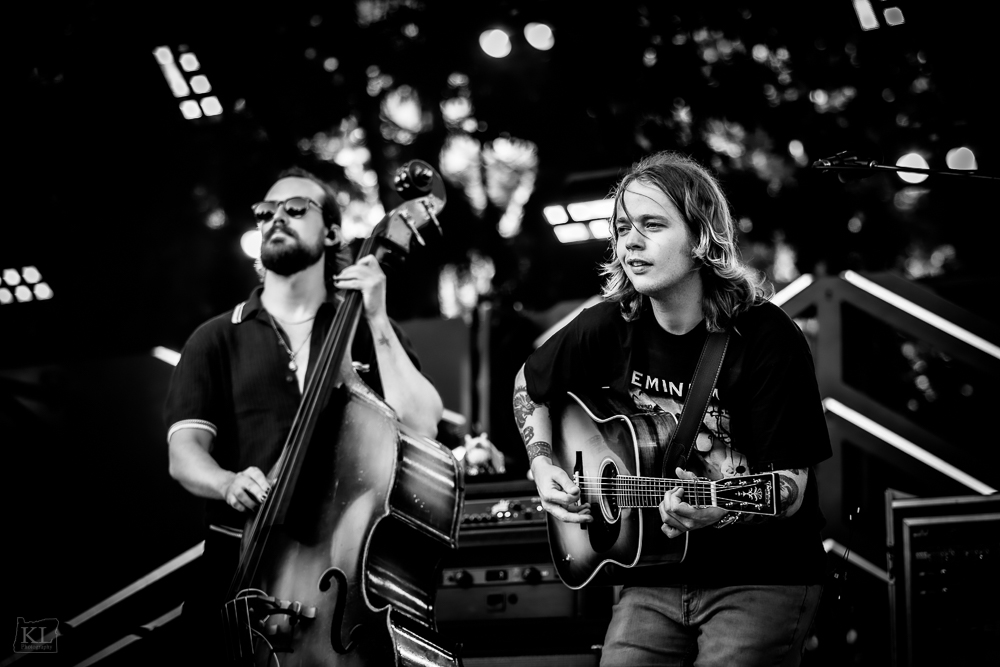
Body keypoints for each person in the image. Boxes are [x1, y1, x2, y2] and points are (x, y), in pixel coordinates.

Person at [513, 151, 831, 666]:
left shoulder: (768, 337)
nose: (630, 242)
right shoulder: (608, 325)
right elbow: (528, 385)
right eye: (621, 228)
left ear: (701, 236)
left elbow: (790, 488)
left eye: (652, 225)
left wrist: (721, 507)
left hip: (760, 579)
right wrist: (544, 460)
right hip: (650, 580)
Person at [164, 167, 443, 663]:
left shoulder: (363, 324)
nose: (276, 219)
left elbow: (422, 423)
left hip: (331, 568)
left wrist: (376, 317)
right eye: (265, 213)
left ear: (333, 232)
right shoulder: (216, 336)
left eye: (296, 209)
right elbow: (184, 453)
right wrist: (227, 482)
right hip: (236, 566)